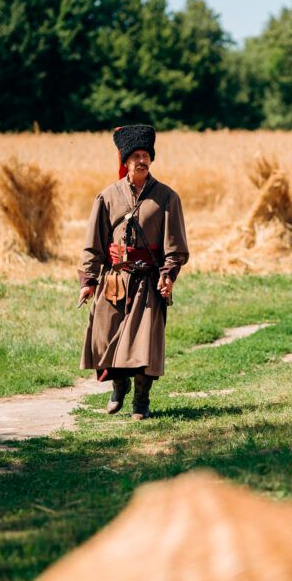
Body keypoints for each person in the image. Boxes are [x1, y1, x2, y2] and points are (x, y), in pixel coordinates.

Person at [77, 124, 188, 420]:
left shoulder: (167, 197)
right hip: (114, 280)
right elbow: (94, 243)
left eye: (146, 156)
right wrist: (88, 280)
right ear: (126, 161)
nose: (141, 160)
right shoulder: (107, 197)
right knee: (105, 336)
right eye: (136, 156)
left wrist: (168, 275)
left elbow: (175, 245)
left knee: (144, 343)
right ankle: (119, 385)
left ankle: (141, 400)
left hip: (149, 281)